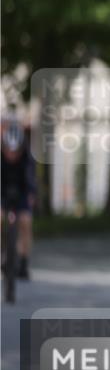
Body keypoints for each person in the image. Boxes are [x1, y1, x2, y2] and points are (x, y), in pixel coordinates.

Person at [1, 114, 36, 280]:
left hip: (22, 192)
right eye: (9, 152)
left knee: (25, 221)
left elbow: (30, 178)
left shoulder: (27, 157)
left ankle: (23, 261)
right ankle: (3, 254)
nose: (11, 155)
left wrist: (31, 194)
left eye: (15, 152)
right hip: (3, 190)